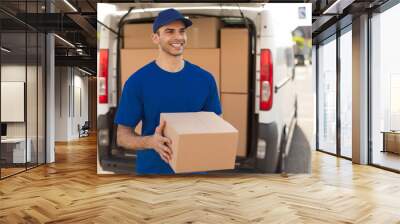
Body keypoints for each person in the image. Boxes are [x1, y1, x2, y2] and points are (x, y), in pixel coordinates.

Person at [114, 8, 222, 175]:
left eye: (182, 31)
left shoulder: (205, 79)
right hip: (153, 173)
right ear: (155, 38)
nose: (178, 37)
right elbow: (122, 136)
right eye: (169, 31)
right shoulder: (137, 82)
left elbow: (215, 125)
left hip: (195, 173)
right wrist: (151, 142)